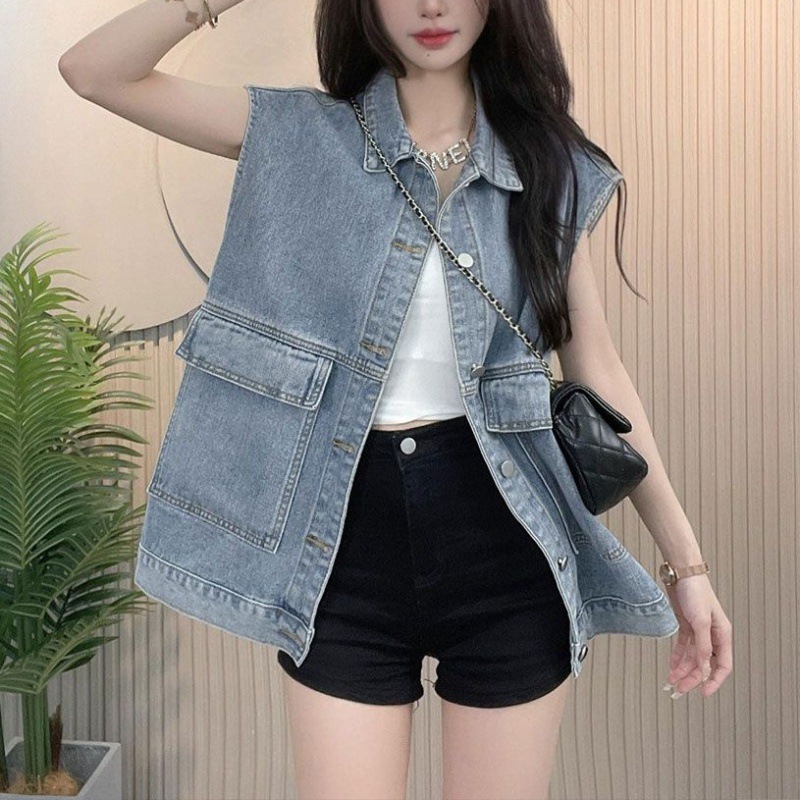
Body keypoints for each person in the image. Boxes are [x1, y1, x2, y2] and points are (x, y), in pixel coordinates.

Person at [59, 1, 733, 798]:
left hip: (506, 549)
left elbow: (601, 372)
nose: (432, 5)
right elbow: (93, 72)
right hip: (340, 558)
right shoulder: (299, 133)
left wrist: (688, 566)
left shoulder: (546, 162)